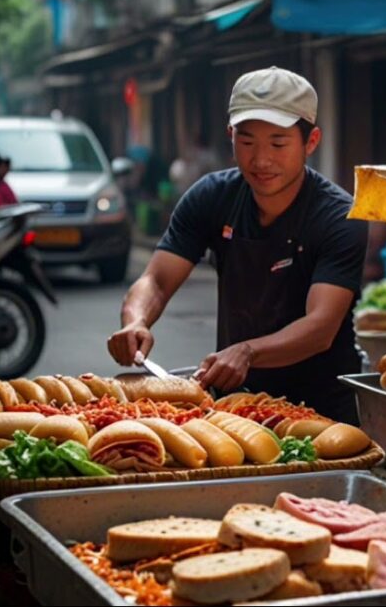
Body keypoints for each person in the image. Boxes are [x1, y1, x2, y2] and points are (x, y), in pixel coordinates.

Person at [107, 67, 370, 423]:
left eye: (278, 143)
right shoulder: (211, 196)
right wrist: (135, 321)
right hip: (236, 406)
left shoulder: (338, 216)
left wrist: (247, 351)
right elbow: (156, 280)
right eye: (246, 142)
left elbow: (320, 327)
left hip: (323, 411)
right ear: (230, 136)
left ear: (311, 141)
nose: (261, 160)